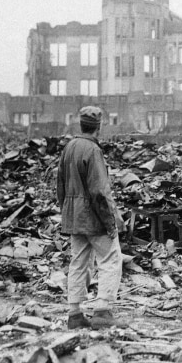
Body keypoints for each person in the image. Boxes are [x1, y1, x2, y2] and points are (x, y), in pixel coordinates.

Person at [57, 106, 123, 329]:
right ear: (99, 126)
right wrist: (110, 222)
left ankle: (74, 313)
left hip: (74, 217)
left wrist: (67, 212)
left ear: (81, 124)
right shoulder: (93, 150)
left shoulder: (69, 147)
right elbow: (99, 192)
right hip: (93, 217)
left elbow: (60, 187)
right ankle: (102, 310)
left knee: (79, 262)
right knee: (111, 259)